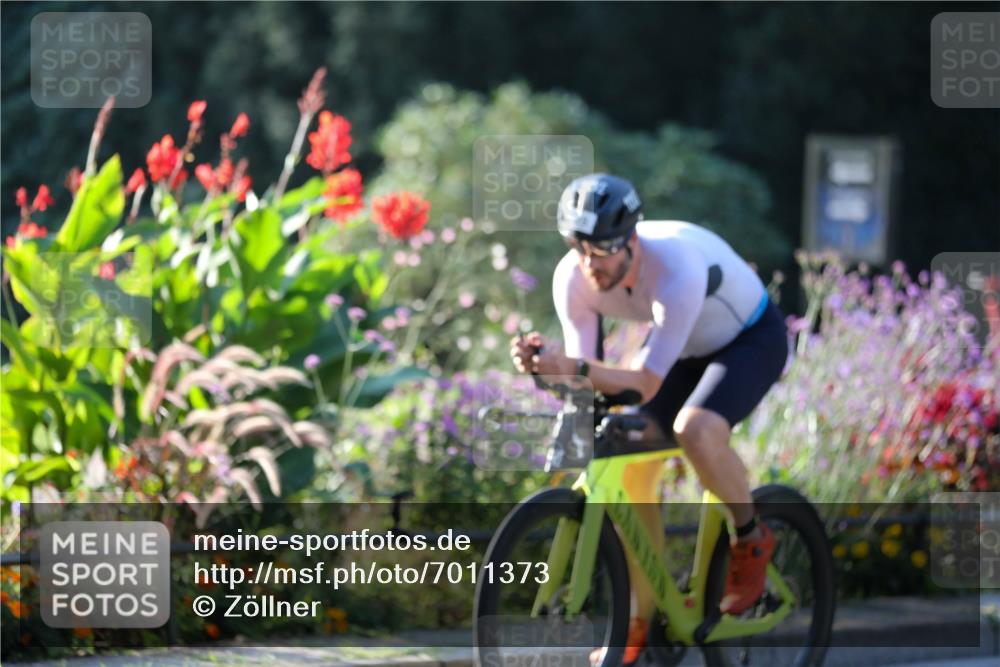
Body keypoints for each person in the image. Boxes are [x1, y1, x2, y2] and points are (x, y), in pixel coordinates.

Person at [509, 173, 789, 666]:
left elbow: (644, 383)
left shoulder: (675, 267)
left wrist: (571, 369)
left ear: (631, 241)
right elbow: (587, 380)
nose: (591, 265)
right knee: (623, 459)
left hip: (747, 341)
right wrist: (544, 372)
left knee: (695, 429)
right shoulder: (572, 277)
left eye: (603, 252)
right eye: (580, 250)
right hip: (683, 351)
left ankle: (751, 538)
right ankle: (641, 618)